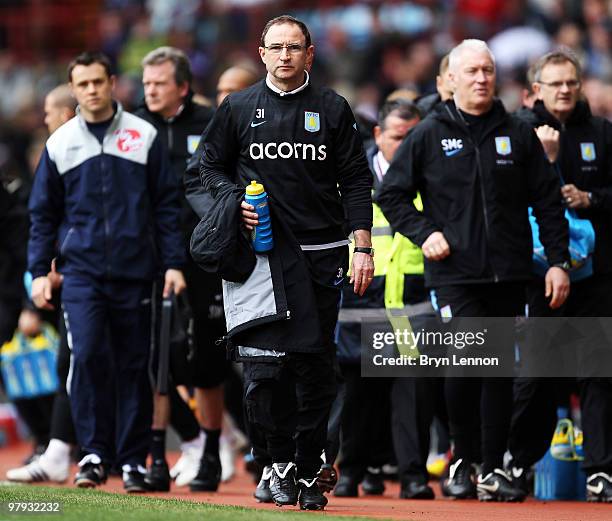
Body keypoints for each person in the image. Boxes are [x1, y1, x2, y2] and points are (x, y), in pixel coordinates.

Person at [377, 39, 570, 502]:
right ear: (451, 80)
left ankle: (490, 466)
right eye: (472, 71)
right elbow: (391, 195)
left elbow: (547, 201)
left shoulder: (518, 132)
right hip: (453, 275)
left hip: (509, 272)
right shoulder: (427, 134)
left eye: (488, 70)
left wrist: (559, 262)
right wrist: (425, 234)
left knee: (497, 371)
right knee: (467, 364)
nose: (482, 78)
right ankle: (463, 456)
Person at [195, 15, 373, 510]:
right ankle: (276, 462)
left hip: (321, 256)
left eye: (295, 47)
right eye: (277, 47)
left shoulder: (333, 108)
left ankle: (310, 466)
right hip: (261, 260)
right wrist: (234, 202)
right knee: (263, 374)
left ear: (310, 54)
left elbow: (358, 182)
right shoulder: (237, 107)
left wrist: (362, 246)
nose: (286, 55)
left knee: (315, 369)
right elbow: (207, 166)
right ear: (262, 52)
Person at [27, 51, 186, 493]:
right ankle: (94, 454)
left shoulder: (143, 135)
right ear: (74, 89)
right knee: (89, 356)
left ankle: (132, 461)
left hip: (138, 273)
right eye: (83, 84)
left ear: (111, 82)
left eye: (99, 81)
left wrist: (173, 264)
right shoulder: (61, 143)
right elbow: (42, 215)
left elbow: (167, 208)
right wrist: (40, 270)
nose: (92, 90)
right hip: (81, 275)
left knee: (134, 366)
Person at [509, 49, 612, 502]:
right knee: (536, 376)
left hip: (597, 275)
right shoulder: (515, 132)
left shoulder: (603, 133)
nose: (565, 90)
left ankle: (601, 470)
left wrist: (592, 199)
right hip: (537, 274)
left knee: (598, 373)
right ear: (536, 90)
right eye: (555, 83)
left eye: (571, 81)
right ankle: (517, 463)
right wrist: (548, 165)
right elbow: (504, 197)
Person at [135, 46, 225, 492]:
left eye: (158, 83)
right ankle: (167, 448)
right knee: (156, 353)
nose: (149, 90)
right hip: (149, 257)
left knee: (209, 356)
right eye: (145, 83)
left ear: (183, 87)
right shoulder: (131, 126)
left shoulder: (210, 122)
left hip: (205, 256)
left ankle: (210, 452)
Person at [334, 99, 428, 499]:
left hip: (409, 308)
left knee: (411, 394)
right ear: (378, 136)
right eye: (397, 137)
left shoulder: (431, 176)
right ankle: (350, 472)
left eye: (413, 138)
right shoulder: (354, 180)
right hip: (360, 305)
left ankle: (413, 478)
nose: (405, 146)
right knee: (356, 395)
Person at [6, 85, 77, 485]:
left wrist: (31, 301)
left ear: (65, 115)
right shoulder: (52, 165)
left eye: (50, 112)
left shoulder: (75, 161)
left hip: (72, 280)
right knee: (68, 364)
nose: (45, 118)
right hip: (50, 283)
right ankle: (59, 445)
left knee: (77, 364)